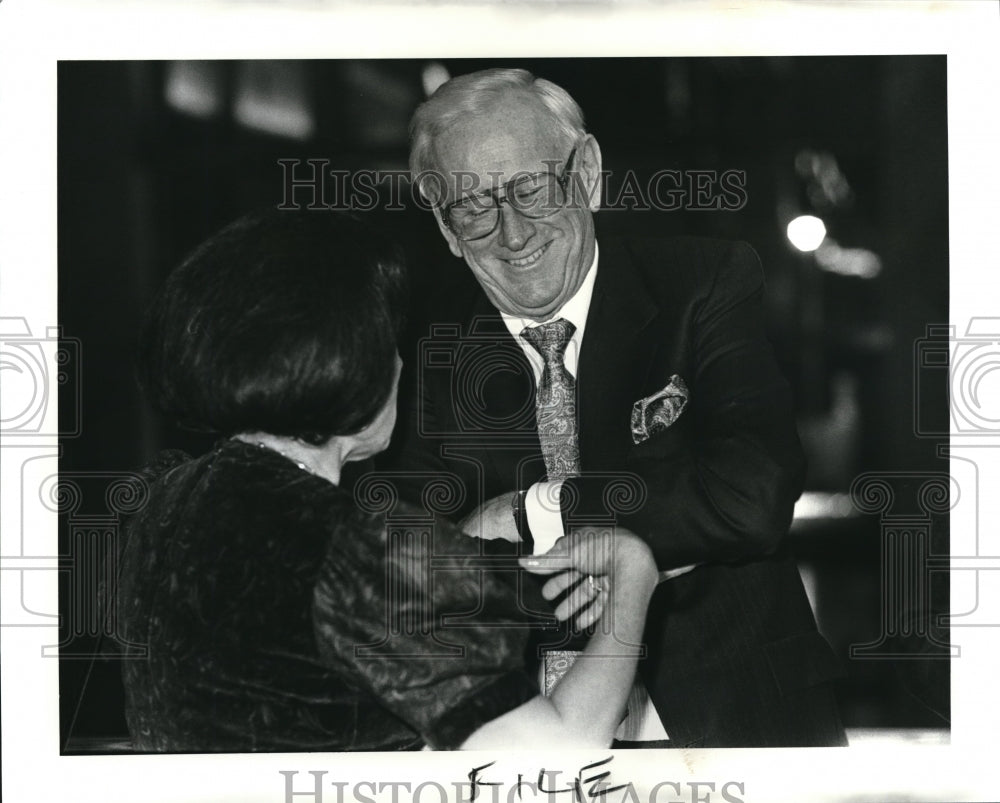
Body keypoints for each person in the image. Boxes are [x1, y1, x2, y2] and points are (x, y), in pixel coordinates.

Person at [387, 68, 847, 747]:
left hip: (733, 726)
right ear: (445, 225)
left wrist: (536, 512)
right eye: (473, 206)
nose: (512, 234)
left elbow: (752, 494)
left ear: (589, 173)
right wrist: (657, 539)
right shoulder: (427, 353)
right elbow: (415, 574)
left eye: (531, 188)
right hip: (538, 745)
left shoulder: (703, 285)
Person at [116, 208, 658, 752]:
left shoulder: (166, 500)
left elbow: (289, 628)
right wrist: (633, 577)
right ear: (347, 361)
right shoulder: (361, 549)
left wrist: (476, 550)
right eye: (388, 340)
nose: (401, 362)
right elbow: (560, 752)